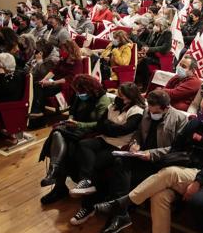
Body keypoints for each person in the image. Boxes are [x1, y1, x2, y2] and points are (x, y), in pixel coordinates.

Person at [93, 94, 203, 233]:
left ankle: (123, 204)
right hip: (184, 167)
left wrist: (198, 182)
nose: (199, 113)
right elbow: (177, 145)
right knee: (159, 195)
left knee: (170, 173)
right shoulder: (197, 123)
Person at [82, 90, 187, 233]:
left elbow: (177, 149)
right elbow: (138, 132)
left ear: (166, 108)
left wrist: (151, 154)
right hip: (140, 156)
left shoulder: (180, 119)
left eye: (156, 112)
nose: (152, 114)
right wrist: (134, 144)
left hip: (159, 163)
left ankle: (111, 229)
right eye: (150, 111)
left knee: (121, 182)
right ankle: (119, 217)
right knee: (119, 162)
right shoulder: (147, 111)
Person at [38, 75, 111, 204]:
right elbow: (72, 110)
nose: (78, 94)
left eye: (80, 92)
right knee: (58, 133)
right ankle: (56, 177)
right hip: (75, 127)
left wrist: (79, 125)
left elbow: (100, 124)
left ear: (90, 89)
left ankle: (56, 179)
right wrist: (71, 119)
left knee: (59, 134)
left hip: (91, 131)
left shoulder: (102, 100)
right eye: (77, 91)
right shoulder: (79, 96)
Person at [69, 83, 145, 199]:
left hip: (119, 144)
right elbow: (100, 124)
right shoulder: (113, 106)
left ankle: (94, 193)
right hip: (105, 138)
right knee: (83, 144)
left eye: (122, 95)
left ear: (130, 96)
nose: (119, 97)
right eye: (119, 95)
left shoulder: (136, 110)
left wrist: (108, 125)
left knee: (96, 160)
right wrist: (111, 127)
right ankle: (86, 180)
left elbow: (124, 130)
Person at [30, 40, 82, 119]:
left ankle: (38, 110)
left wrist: (51, 83)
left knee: (40, 88)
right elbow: (54, 71)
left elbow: (69, 79)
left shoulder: (77, 62)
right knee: (38, 84)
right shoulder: (63, 59)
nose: (61, 51)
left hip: (66, 86)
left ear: (70, 50)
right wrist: (44, 80)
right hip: (56, 82)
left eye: (63, 49)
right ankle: (37, 110)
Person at [132, 17, 172, 89]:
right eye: (155, 25)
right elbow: (146, 43)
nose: (155, 27)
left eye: (157, 25)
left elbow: (165, 47)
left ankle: (145, 85)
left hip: (158, 58)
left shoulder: (167, 33)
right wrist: (144, 48)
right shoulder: (153, 32)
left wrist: (150, 49)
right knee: (136, 58)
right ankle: (136, 82)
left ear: (162, 26)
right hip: (149, 55)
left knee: (144, 61)